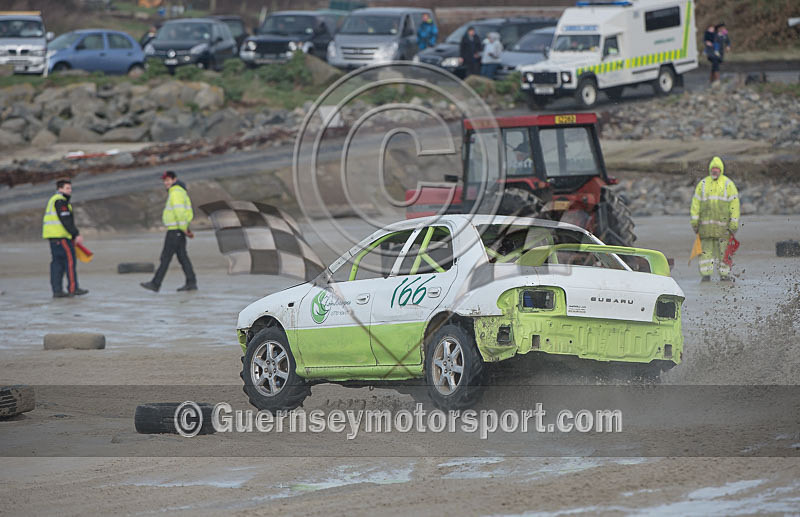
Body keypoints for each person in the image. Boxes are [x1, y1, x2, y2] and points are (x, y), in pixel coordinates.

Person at [140, 171, 197, 292]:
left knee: (166, 258)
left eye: (168, 180)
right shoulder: (179, 192)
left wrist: (184, 229)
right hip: (178, 230)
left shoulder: (175, 192)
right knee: (182, 257)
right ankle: (191, 282)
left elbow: (179, 212)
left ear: (174, 179)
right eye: (164, 181)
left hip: (175, 230)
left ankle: (156, 284)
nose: (166, 183)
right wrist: (185, 229)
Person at [690, 156, 740, 282]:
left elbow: (734, 205)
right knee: (705, 253)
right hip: (705, 228)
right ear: (710, 169)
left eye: (717, 168)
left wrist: (734, 223)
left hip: (723, 229)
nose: (715, 171)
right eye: (713, 168)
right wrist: (694, 222)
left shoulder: (728, 184)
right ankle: (705, 275)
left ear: (721, 170)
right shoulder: (703, 184)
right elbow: (695, 204)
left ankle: (724, 274)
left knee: (724, 252)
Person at [42, 179, 88, 298]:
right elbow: (66, 220)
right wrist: (76, 234)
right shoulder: (60, 201)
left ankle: (57, 291)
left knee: (57, 264)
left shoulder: (53, 200)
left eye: (70, 188)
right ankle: (73, 288)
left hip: (53, 238)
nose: (70, 190)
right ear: (60, 189)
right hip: (62, 238)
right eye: (67, 188)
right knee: (70, 262)